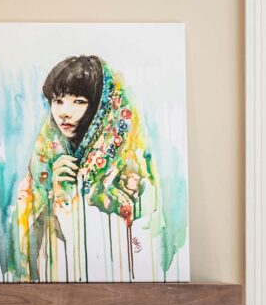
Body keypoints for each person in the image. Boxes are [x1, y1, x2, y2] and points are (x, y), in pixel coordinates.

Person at [13, 55, 159, 282]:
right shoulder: (47, 152)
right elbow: (27, 230)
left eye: (78, 101)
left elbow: (146, 229)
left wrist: (91, 194)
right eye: (58, 101)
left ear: (101, 107)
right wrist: (54, 193)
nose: (64, 112)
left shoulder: (128, 162)